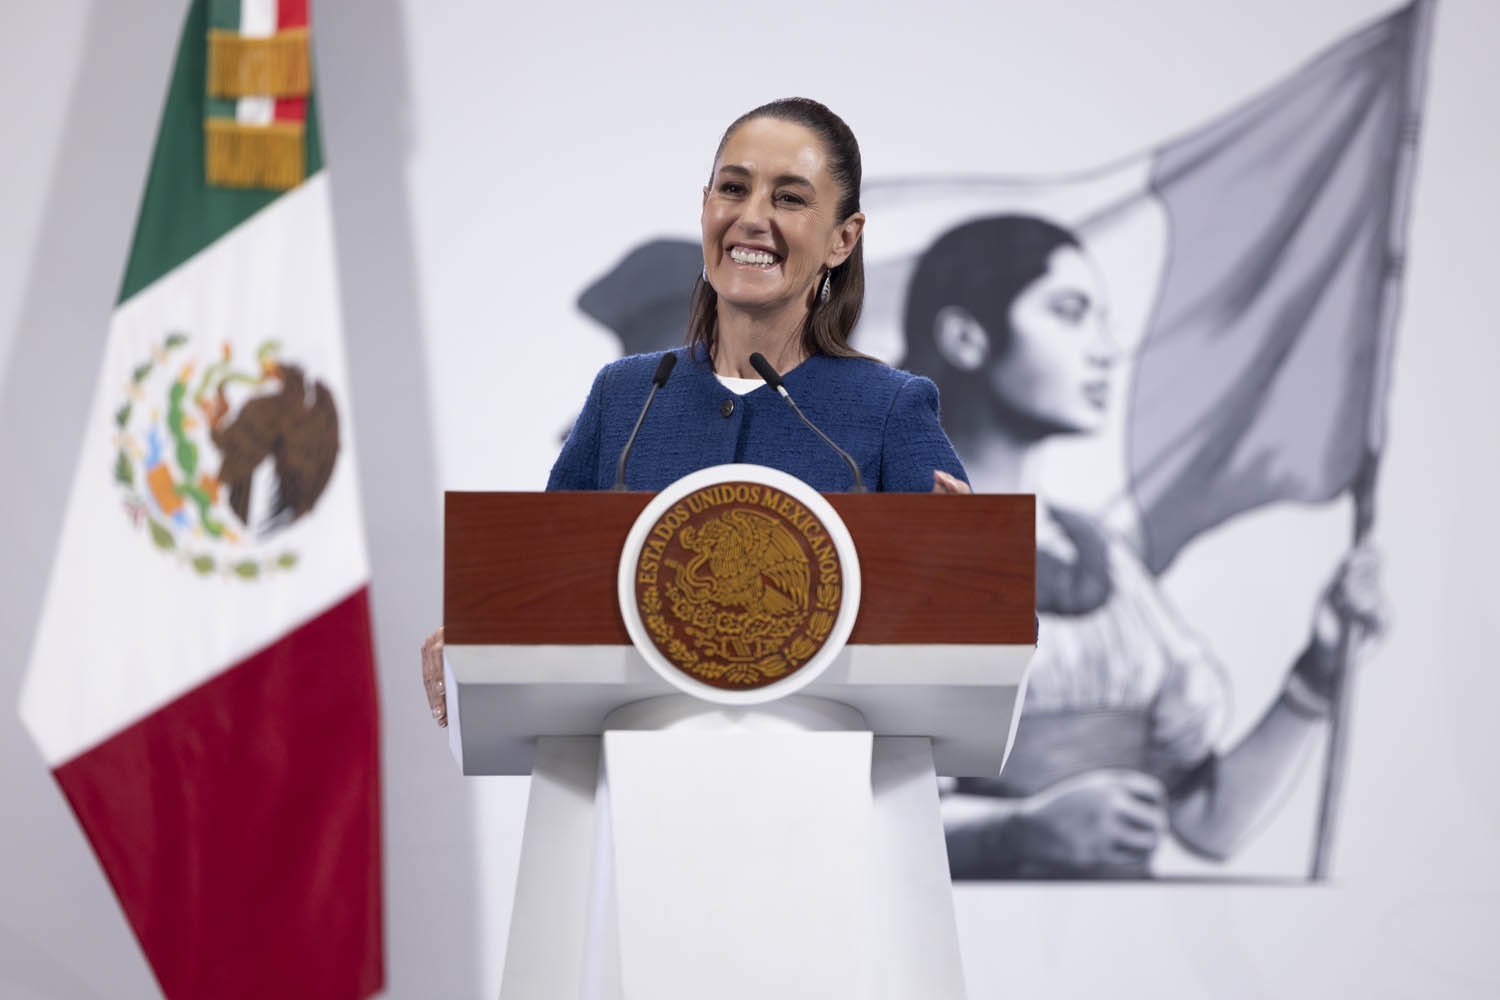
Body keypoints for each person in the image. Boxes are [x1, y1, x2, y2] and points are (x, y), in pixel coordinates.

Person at [421, 97, 971, 724]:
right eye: (733, 189)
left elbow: (993, 621)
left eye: (789, 198)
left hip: (828, 770)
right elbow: (546, 591)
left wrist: (964, 572)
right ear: (705, 205)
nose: (751, 218)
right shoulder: (626, 396)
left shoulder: (889, 407)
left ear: (843, 239)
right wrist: (482, 632)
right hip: (637, 768)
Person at [901, 214, 1385, 878]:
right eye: (1070, 313)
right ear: (966, 336)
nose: (1105, 349)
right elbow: (854, 818)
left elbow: (1209, 823)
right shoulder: (885, 545)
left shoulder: (1105, 561)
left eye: (1102, 320)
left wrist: (1320, 669)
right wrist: (1017, 832)